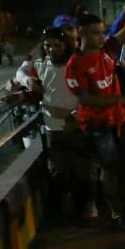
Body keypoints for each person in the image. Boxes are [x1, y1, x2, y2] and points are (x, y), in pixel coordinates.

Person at [65, 12, 125, 229]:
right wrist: (122, 98)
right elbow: (86, 99)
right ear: (80, 33)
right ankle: (118, 214)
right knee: (110, 168)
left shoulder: (107, 49)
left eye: (103, 32)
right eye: (96, 33)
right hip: (98, 126)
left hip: (120, 120)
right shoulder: (75, 66)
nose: (101, 37)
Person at [27, 27, 92, 218]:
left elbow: (91, 93)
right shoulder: (39, 65)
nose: (52, 49)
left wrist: (76, 116)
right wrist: (27, 81)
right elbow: (21, 74)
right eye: (48, 45)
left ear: (66, 45)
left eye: (57, 45)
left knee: (84, 171)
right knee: (59, 172)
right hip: (53, 129)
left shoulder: (77, 64)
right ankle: (65, 211)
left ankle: (85, 209)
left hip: (78, 125)